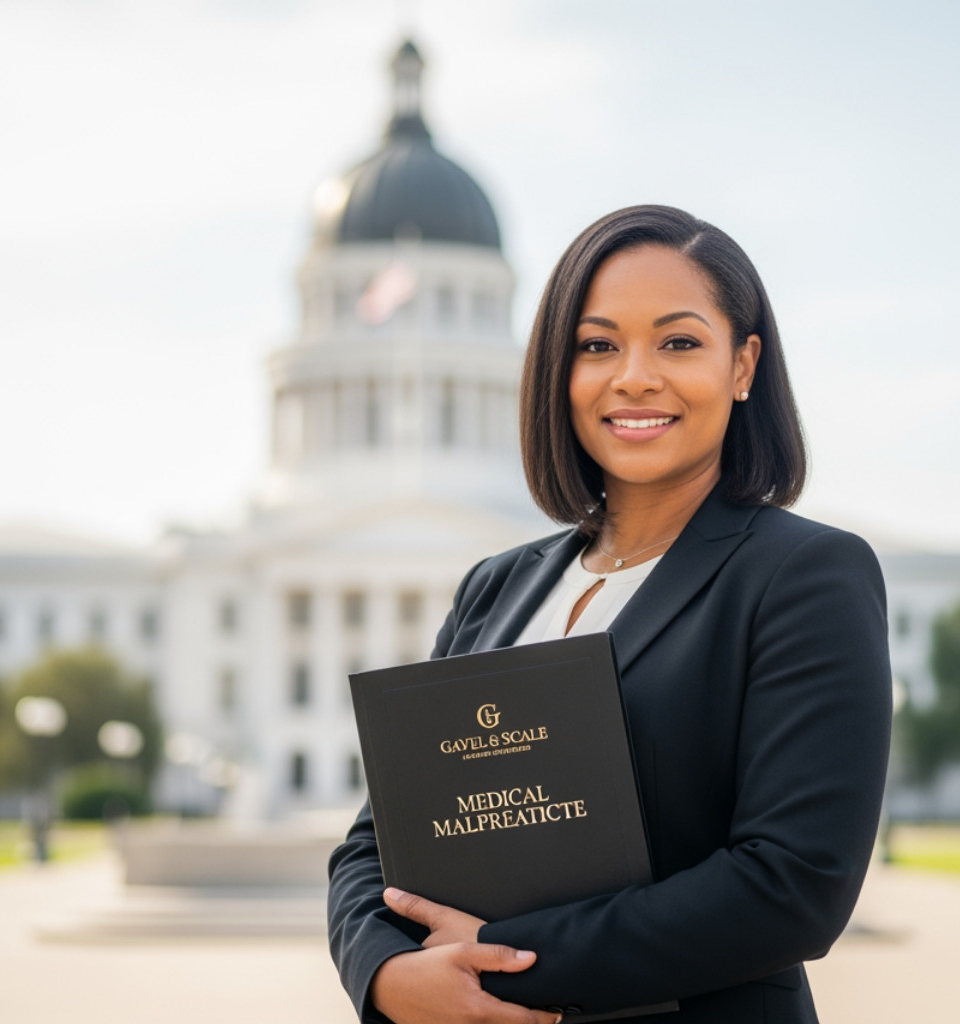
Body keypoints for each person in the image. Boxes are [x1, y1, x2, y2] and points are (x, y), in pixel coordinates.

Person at [328, 204, 892, 1024]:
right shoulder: (495, 586)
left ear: (743, 365)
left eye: (679, 341)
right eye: (597, 346)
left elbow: (793, 884)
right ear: (560, 372)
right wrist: (381, 973)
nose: (634, 376)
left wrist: (509, 964)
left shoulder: (803, 575)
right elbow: (377, 840)